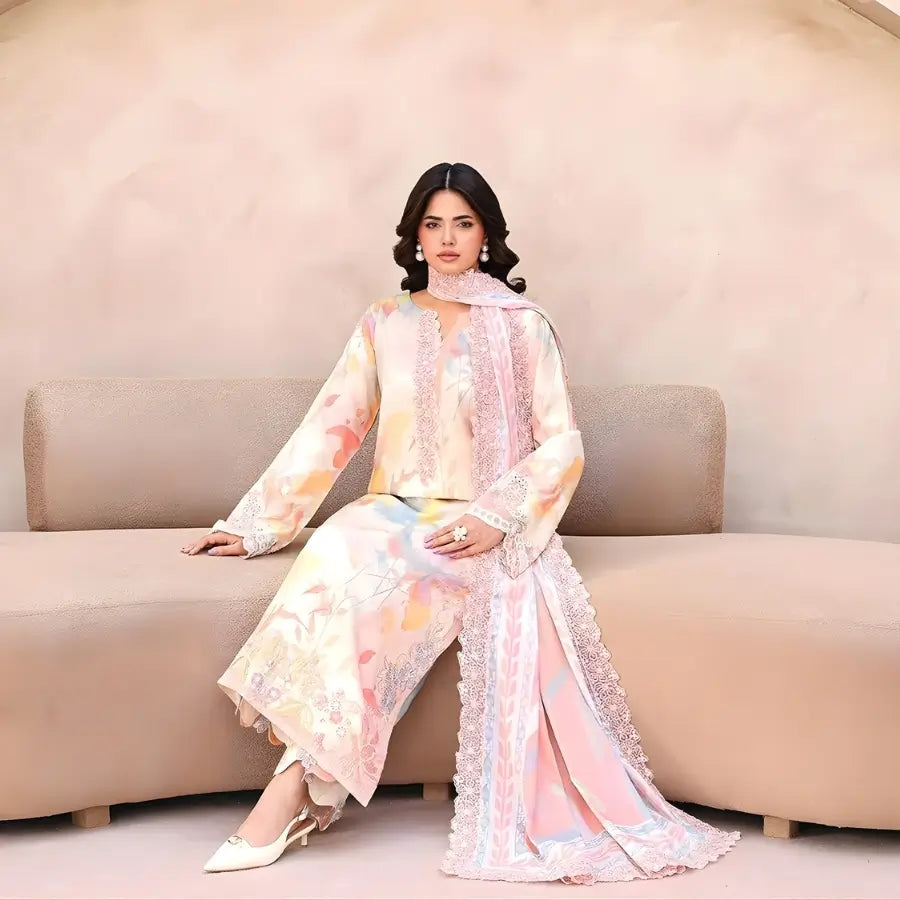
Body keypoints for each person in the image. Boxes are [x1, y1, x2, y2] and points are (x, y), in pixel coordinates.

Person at [182, 162, 739, 883]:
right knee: (335, 557)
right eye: (434, 223)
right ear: (415, 235)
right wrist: (258, 524)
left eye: (464, 223)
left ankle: (289, 794)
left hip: (473, 523)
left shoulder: (523, 326)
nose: (447, 238)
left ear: (487, 235)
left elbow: (561, 443)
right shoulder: (384, 321)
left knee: (377, 589)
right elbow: (333, 425)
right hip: (385, 512)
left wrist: (498, 519)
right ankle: (304, 785)